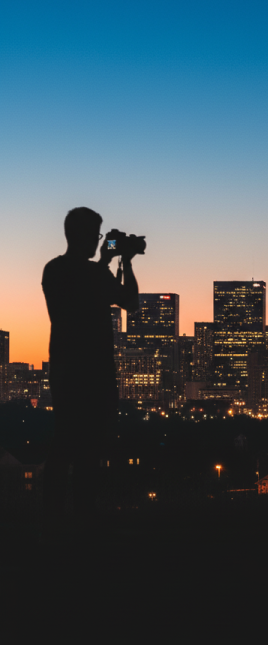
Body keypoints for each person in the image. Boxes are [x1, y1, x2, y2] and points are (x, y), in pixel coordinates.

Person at [42, 207, 139, 529]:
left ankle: (53, 513)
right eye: (96, 235)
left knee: (64, 440)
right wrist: (124, 260)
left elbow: (83, 287)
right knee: (90, 444)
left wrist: (106, 261)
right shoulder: (94, 274)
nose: (99, 242)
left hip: (66, 368)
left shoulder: (53, 270)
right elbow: (130, 301)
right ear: (84, 236)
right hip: (96, 370)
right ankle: (84, 511)